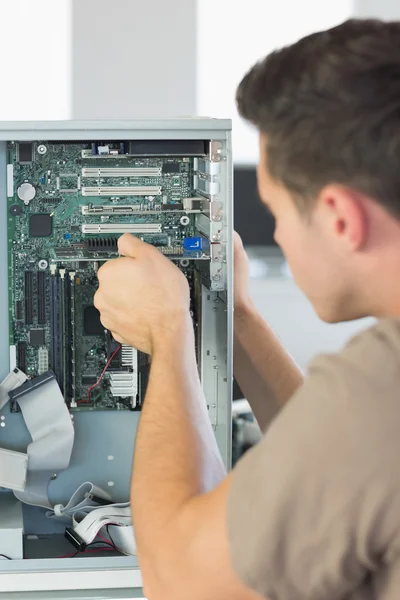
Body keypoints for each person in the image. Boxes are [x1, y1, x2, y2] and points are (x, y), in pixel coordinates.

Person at [94, 17, 400, 600]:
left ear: (340, 218)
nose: (278, 236)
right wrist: (236, 314)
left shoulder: (382, 386)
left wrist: (168, 333)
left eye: (275, 211)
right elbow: (332, 464)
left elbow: (178, 582)